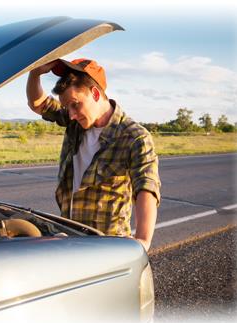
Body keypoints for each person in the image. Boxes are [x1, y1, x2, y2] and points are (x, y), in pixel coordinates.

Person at [26, 58, 161, 251]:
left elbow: (146, 188)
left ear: (95, 94)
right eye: (67, 108)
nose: (71, 114)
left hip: (106, 247)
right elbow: (37, 103)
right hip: (70, 236)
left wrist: (143, 240)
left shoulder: (134, 137)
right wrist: (35, 73)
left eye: (75, 105)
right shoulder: (76, 122)